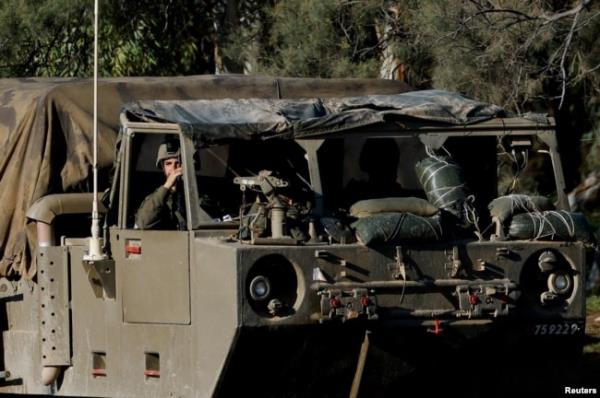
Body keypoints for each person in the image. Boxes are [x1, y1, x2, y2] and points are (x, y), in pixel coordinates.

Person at [135, 139, 187, 230]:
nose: (173, 168)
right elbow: (143, 223)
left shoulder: (193, 195)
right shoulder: (156, 198)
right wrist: (167, 186)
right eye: (168, 164)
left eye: (177, 163)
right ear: (163, 167)